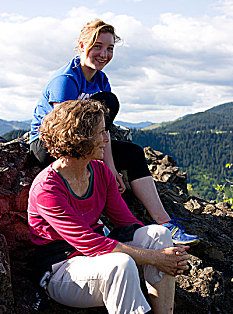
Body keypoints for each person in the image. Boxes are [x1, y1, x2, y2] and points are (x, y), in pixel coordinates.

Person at [28, 99, 190, 314]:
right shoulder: (47, 187)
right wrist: (156, 258)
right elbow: (90, 243)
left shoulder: (100, 171)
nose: (107, 139)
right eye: (101, 132)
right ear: (79, 138)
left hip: (94, 258)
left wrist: (164, 251)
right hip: (61, 269)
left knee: (159, 234)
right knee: (120, 263)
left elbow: (127, 222)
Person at [29, 18, 199, 246]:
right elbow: (63, 131)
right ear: (81, 46)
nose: (104, 54)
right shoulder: (65, 80)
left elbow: (101, 128)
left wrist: (109, 166)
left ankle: (165, 223)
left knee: (133, 153)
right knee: (108, 101)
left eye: (110, 48)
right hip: (49, 145)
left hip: (83, 141)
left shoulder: (100, 79)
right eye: (97, 46)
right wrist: (102, 170)